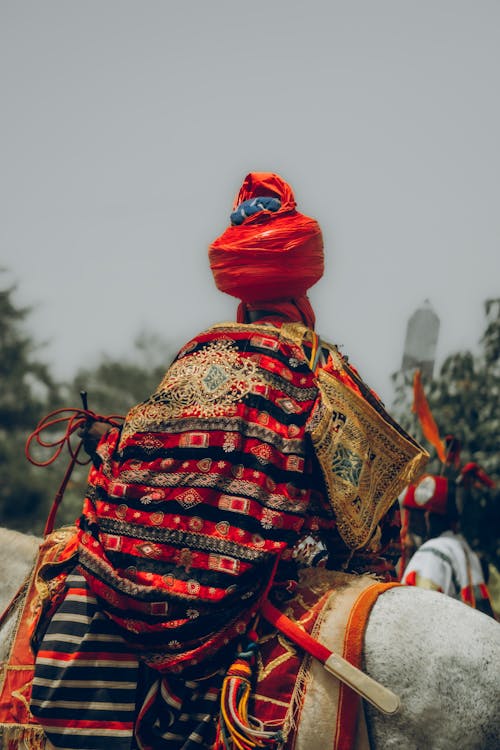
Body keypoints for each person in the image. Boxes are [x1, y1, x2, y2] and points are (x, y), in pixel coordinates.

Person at [30, 172, 427, 750]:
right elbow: (372, 504)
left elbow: (140, 454)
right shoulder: (322, 368)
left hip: (139, 574)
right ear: (304, 294)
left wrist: (114, 446)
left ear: (241, 297)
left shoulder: (198, 354)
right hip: (253, 585)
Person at [400, 459, 495, 617]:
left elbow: (415, 616)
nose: (410, 523)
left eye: (414, 515)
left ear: (428, 516)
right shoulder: (463, 548)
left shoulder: (431, 553)